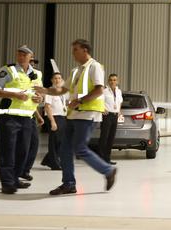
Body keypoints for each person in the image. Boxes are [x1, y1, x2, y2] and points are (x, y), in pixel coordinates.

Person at [36, 39, 117, 195]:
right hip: (73, 116)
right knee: (65, 150)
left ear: (85, 50)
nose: (73, 53)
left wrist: (79, 100)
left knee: (79, 148)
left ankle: (108, 171)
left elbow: (99, 90)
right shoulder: (75, 71)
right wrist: (45, 90)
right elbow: (61, 90)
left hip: (87, 115)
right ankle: (68, 184)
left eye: (75, 50)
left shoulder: (95, 67)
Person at [0, 45, 44, 194]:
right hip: (9, 116)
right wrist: (15, 95)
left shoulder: (37, 74)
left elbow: (39, 94)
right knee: (7, 150)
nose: (21, 56)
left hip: (27, 117)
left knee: (23, 151)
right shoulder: (8, 70)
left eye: (25, 54)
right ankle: (7, 183)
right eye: (19, 54)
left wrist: (40, 98)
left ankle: (15, 179)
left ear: (31, 57)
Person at [20, 58, 45, 182]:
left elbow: (34, 100)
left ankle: (25, 170)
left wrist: (38, 116)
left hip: (30, 116)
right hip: (18, 116)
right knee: (22, 146)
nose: (33, 64)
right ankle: (17, 171)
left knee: (34, 145)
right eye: (31, 62)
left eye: (34, 62)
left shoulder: (36, 77)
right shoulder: (19, 77)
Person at [40, 73, 68, 170]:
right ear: (52, 80)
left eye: (59, 78)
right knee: (54, 141)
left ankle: (47, 160)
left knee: (60, 141)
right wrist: (52, 121)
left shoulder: (62, 92)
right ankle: (54, 164)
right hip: (54, 117)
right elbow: (47, 107)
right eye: (55, 78)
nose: (57, 80)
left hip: (62, 117)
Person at [99, 73, 123, 165]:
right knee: (104, 138)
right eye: (111, 80)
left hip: (114, 116)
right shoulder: (104, 91)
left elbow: (120, 101)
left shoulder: (118, 91)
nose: (113, 82)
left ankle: (107, 158)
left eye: (114, 80)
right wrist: (102, 109)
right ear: (108, 81)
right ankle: (101, 159)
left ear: (117, 81)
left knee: (111, 138)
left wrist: (119, 111)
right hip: (107, 116)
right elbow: (99, 101)